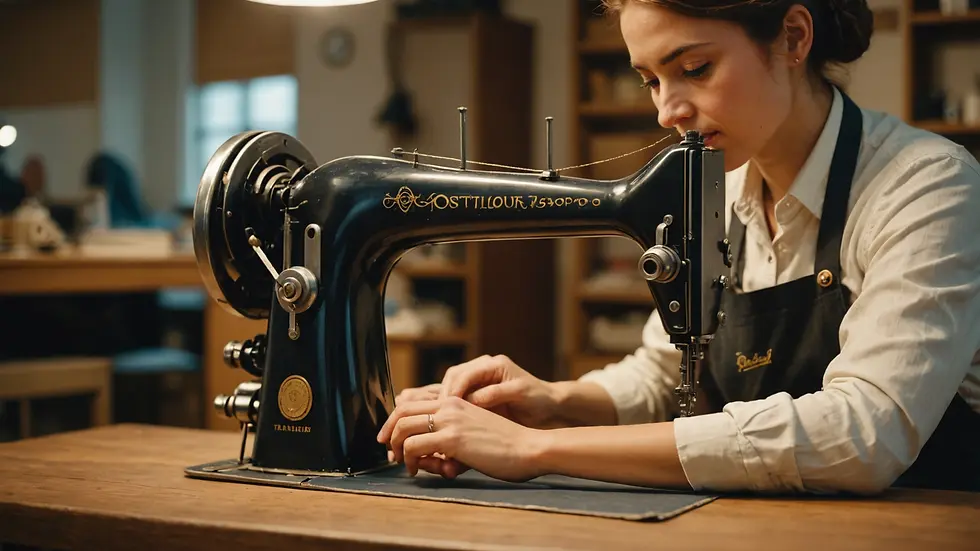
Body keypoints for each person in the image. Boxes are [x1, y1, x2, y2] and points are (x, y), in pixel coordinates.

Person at [377, 0, 980, 494]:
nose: (668, 111)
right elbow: (665, 374)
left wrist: (533, 447)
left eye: (694, 68)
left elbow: (864, 434)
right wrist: (549, 399)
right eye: (650, 81)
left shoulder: (925, 185)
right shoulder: (723, 195)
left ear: (793, 39)